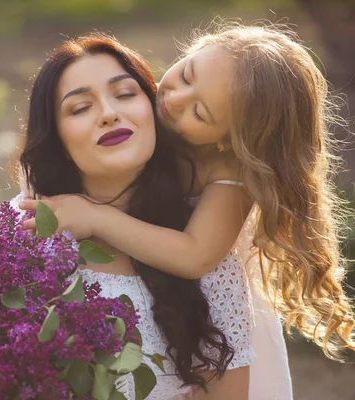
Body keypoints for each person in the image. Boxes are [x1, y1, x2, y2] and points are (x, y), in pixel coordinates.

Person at [19, 22, 355, 399]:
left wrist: (96, 217)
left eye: (199, 112)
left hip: (188, 301)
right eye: (186, 74)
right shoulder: (139, 105)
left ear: (228, 141)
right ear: (197, 48)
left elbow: (195, 255)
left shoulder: (228, 173)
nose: (174, 99)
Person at [0, 33, 253, 399]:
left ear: (152, 109)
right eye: (79, 108)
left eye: (124, 94)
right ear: (56, 137)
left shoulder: (207, 245)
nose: (109, 114)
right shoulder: (10, 236)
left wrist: (94, 216)